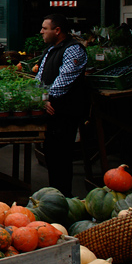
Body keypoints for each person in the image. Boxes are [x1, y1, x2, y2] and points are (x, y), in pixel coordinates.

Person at [36, 13, 89, 197]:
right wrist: (39, 97)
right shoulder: (51, 49)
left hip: (65, 111)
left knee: (62, 156)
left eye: (45, 28)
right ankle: (55, 195)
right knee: (52, 154)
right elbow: (40, 78)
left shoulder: (73, 50)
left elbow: (63, 81)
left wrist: (46, 97)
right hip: (51, 110)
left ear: (57, 30)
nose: (41, 31)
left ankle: (63, 197)